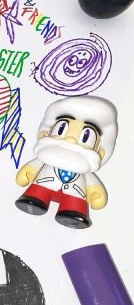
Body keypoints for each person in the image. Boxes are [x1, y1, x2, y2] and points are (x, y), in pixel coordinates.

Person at [15, 96, 118, 229]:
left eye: (86, 136)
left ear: (100, 152)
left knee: (75, 204)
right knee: (37, 193)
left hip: (74, 195)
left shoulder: (84, 167)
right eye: (61, 128)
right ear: (44, 134)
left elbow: (93, 184)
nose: (70, 140)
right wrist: (27, 173)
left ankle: (73, 212)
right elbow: (33, 167)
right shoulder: (47, 157)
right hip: (43, 186)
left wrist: (96, 193)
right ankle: (35, 200)